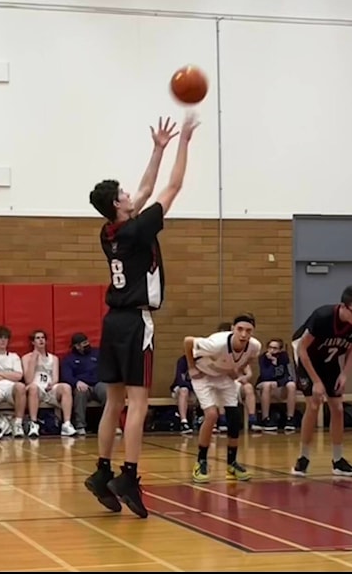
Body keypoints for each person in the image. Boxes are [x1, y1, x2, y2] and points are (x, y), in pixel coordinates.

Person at [83, 113, 198, 518]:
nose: (133, 193)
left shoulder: (109, 232)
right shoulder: (137, 230)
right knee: (138, 403)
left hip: (111, 321)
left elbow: (147, 188)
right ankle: (129, 475)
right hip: (135, 321)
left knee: (114, 402)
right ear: (118, 204)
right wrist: (184, 141)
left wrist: (158, 148)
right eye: (125, 193)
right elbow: (171, 186)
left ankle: (102, 471)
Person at [290, 285, 352, 478]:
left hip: (329, 361)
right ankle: (303, 458)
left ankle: (338, 460)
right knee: (314, 405)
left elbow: (351, 350)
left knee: (338, 408)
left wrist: (345, 374)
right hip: (305, 357)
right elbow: (302, 349)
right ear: (343, 307)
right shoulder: (323, 316)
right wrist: (316, 382)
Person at [183, 314, 261, 483]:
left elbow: (251, 359)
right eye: (240, 329)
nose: (243, 334)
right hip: (203, 376)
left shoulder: (254, 346)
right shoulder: (216, 343)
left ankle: (232, 463)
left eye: (248, 331)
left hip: (225, 376)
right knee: (211, 415)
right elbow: (188, 341)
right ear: (233, 329)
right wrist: (191, 368)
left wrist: (236, 369)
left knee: (235, 418)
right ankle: (201, 461)